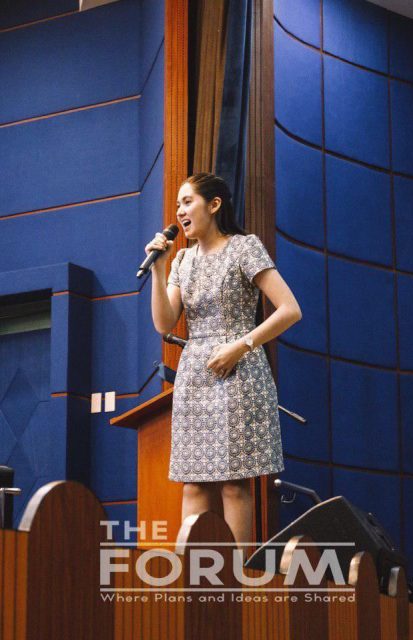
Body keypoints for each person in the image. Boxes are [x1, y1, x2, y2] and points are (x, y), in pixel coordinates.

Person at [145, 172, 302, 552]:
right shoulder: (182, 259)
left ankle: (238, 577)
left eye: (188, 202)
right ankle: (191, 574)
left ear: (214, 205)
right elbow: (164, 323)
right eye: (178, 204)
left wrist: (241, 346)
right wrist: (158, 268)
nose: (180, 211)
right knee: (193, 482)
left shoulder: (244, 248)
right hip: (195, 374)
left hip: (239, 370)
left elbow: (289, 309)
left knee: (234, 483)